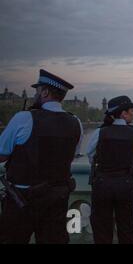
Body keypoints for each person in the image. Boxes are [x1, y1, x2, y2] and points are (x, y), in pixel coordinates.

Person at [0, 69, 83, 244]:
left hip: (23, 198)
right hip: (57, 199)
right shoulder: (76, 122)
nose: (34, 95)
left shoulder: (23, 118)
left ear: (44, 92)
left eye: (37, 91)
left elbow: (1, 155)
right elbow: (72, 155)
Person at [86, 95, 133, 244]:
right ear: (123, 113)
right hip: (125, 184)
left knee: (102, 230)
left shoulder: (100, 132)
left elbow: (90, 155)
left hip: (102, 183)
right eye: (132, 110)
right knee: (126, 229)